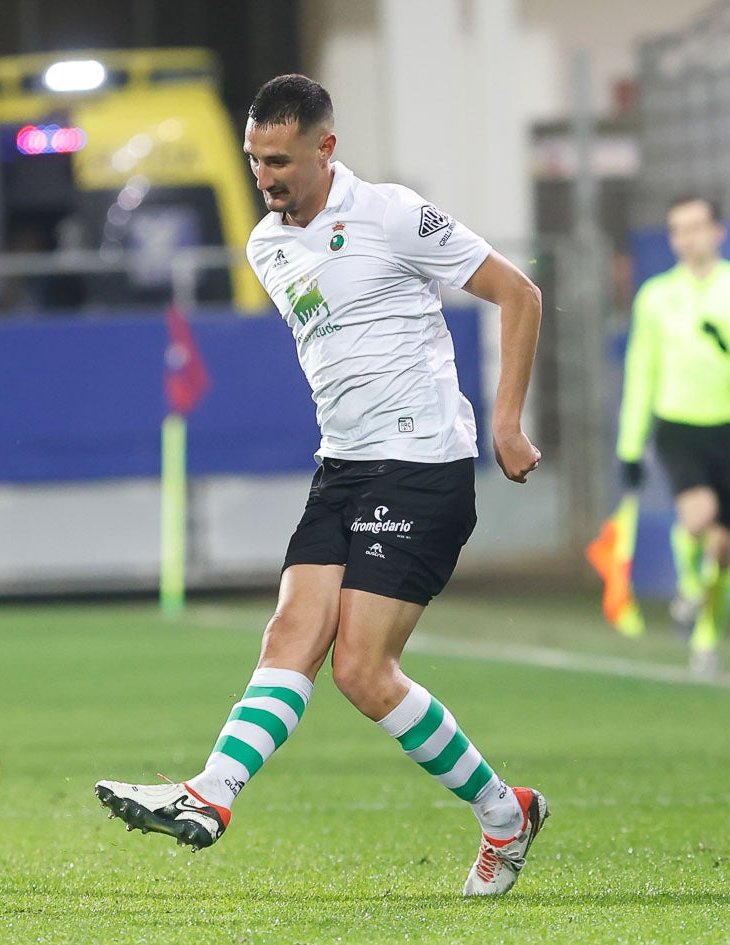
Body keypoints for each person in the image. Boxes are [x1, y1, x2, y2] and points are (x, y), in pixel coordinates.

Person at [94, 75, 548, 897]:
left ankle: (505, 814)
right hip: (341, 465)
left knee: (362, 671)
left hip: (419, 469)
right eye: (252, 159)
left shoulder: (394, 214)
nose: (263, 177)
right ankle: (213, 793)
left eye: (278, 160)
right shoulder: (264, 245)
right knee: (290, 634)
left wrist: (505, 422)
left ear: (324, 148)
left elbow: (518, 293)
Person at [616, 196, 730, 677]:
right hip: (679, 425)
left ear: (717, 232)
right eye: (677, 230)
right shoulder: (655, 296)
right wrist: (630, 445)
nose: (686, 239)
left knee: (722, 547)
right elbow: (641, 371)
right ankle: (689, 590)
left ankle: (706, 639)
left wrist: (725, 346)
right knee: (697, 516)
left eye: (695, 228)